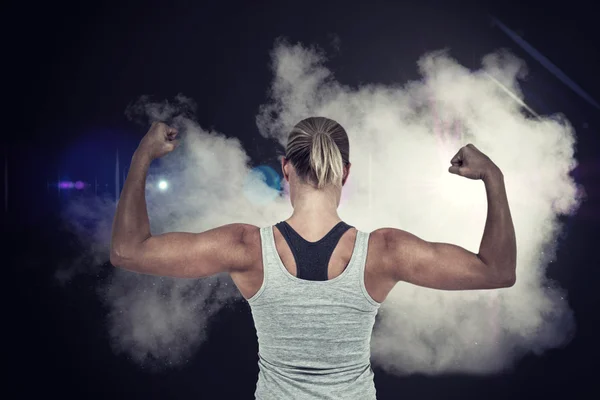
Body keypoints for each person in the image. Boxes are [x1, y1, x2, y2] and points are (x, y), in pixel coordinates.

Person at [110, 117, 517, 399]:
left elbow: (128, 251)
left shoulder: (245, 247)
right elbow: (497, 271)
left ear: (286, 169)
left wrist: (142, 156)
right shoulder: (384, 252)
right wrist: (493, 176)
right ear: (345, 172)